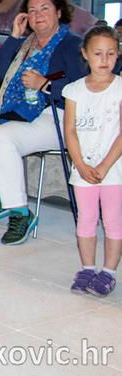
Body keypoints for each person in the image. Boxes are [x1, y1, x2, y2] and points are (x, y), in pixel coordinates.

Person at [0, 0, 86, 245]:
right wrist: (14, 37)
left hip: (57, 114)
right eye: (32, 11)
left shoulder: (72, 44)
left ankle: (20, 213)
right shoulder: (25, 43)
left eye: (45, 9)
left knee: (1, 138)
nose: (38, 15)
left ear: (59, 12)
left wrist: (45, 84)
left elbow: (83, 86)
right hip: (16, 109)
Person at [63, 26, 122, 296]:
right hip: (83, 169)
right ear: (85, 54)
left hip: (114, 169)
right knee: (86, 219)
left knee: (113, 220)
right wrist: (80, 164)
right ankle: (87, 268)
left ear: (118, 54)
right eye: (98, 53)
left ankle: (108, 272)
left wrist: (105, 165)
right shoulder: (74, 91)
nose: (104, 59)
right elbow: (70, 131)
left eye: (111, 53)